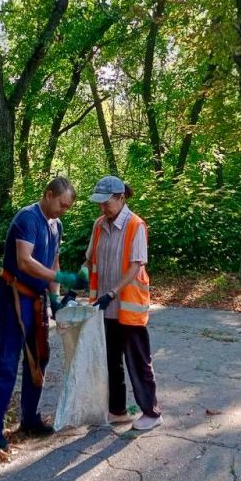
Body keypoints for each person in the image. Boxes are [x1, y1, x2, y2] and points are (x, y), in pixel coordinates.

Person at [0, 177, 84, 450]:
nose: (63, 210)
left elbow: (53, 259)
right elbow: (25, 262)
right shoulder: (27, 219)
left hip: (37, 300)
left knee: (38, 357)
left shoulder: (56, 224)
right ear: (48, 195)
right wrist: (63, 276)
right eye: (61, 204)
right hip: (14, 297)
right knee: (8, 359)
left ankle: (29, 419)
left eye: (67, 207)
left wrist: (55, 297)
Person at [84, 175, 162, 431]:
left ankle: (151, 412)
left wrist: (113, 293)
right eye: (100, 204)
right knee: (111, 361)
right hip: (104, 308)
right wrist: (75, 284)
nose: (102, 208)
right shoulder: (99, 225)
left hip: (127, 307)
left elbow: (135, 267)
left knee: (137, 361)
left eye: (106, 203)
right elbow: (90, 261)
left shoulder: (135, 225)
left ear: (121, 198)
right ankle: (117, 410)